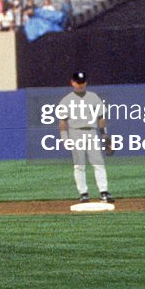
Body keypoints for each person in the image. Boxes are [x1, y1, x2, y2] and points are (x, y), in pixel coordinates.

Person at [57, 71, 114, 204]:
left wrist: (105, 135)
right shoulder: (66, 100)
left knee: (98, 162)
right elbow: (62, 121)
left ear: (86, 82)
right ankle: (83, 193)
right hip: (75, 132)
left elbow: (101, 118)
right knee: (79, 165)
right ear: (72, 82)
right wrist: (64, 137)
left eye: (82, 82)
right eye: (78, 82)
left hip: (91, 132)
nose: (80, 85)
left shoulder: (93, 97)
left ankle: (104, 191)